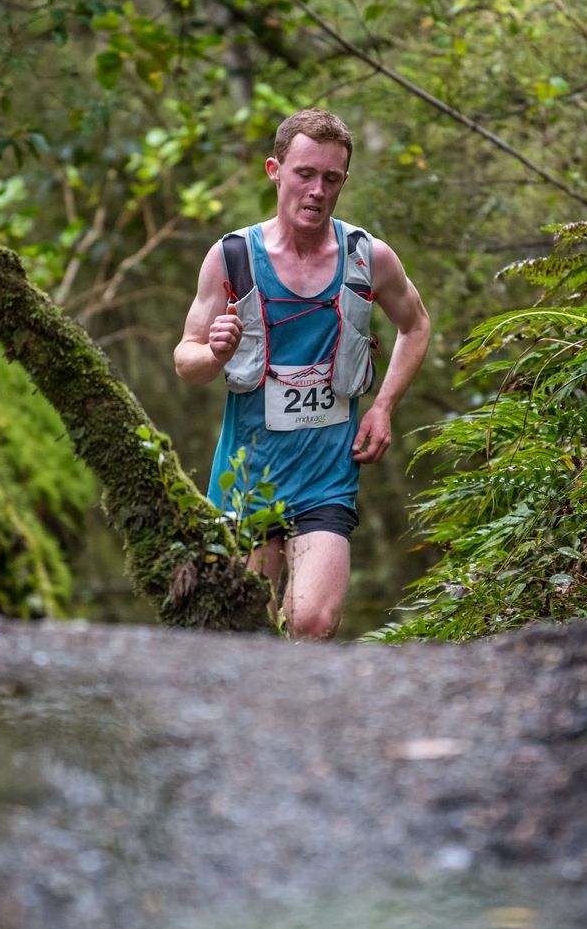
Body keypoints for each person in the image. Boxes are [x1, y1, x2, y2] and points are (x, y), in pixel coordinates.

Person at [174, 109, 431, 638]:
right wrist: (216, 353)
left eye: (330, 178)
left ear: (344, 181)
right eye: (304, 174)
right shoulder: (233, 257)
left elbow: (416, 325)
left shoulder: (367, 258)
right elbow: (187, 362)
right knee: (246, 632)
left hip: (325, 482)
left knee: (310, 622)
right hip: (246, 482)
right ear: (275, 170)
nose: (317, 190)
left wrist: (382, 407)